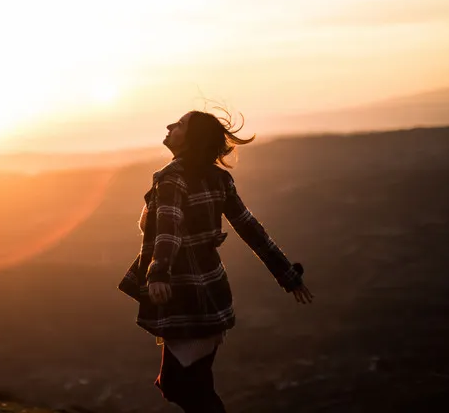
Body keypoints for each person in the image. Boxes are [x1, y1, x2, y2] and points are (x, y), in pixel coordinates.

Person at [118, 109, 314, 412]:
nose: (170, 126)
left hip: (184, 296)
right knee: (188, 384)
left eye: (180, 124)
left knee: (182, 386)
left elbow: (168, 228)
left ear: (191, 138)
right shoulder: (219, 178)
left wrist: (158, 273)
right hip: (212, 293)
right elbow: (251, 229)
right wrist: (286, 274)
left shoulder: (172, 177)